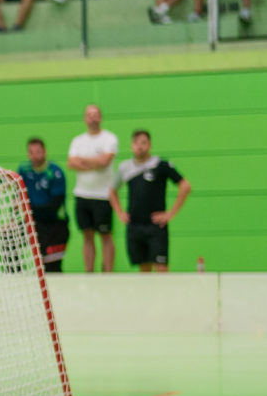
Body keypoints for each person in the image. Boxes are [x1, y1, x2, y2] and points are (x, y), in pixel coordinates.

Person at [108, 131, 192, 273]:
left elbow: (185, 186)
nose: (139, 146)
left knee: (161, 268)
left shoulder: (161, 165)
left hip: (156, 225)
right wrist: (120, 213)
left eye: (143, 143)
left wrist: (170, 214)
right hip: (135, 226)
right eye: (136, 143)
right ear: (131, 145)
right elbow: (112, 191)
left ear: (149, 145)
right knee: (144, 269)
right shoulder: (125, 167)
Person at [67, 105, 118, 272]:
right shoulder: (77, 141)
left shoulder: (109, 138)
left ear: (101, 117)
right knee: (87, 236)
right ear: (85, 118)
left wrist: (82, 161)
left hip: (103, 196)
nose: (93, 118)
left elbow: (105, 162)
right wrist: (95, 162)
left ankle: (108, 272)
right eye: (89, 115)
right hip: (82, 196)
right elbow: (71, 163)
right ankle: (89, 272)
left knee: (105, 235)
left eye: (96, 115)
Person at [18, 138, 69, 273]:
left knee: (51, 267)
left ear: (45, 152)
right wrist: (13, 219)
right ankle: (15, 279)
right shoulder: (23, 170)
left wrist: (30, 211)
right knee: (8, 238)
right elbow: (18, 198)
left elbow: (54, 207)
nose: (35, 156)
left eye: (38, 152)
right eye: (31, 152)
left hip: (54, 224)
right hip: (32, 221)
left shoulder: (55, 172)